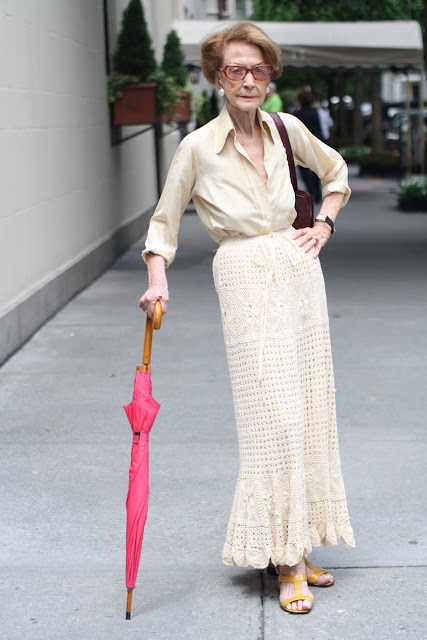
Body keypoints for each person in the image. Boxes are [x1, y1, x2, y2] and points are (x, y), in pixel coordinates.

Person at [139, 21, 355, 615]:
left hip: (299, 271)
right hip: (242, 274)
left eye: (258, 69)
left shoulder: (287, 128)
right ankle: (285, 560)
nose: (248, 79)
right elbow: (163, 224)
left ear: (270, 76)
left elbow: (335, 174)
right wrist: (157, 280)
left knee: (308, 412)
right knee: (272, 417)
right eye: (235, 69)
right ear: (217, 77)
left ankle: (296, 545)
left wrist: (324, 225)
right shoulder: (196, 148)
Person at [293, 90, 324, 202]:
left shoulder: (296, 114)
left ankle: (311, 190)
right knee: (316, 168)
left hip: (302, 143)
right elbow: (320, 127)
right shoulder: (316, 112)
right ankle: (318, 192)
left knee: (304, 168)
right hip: (315, 141)